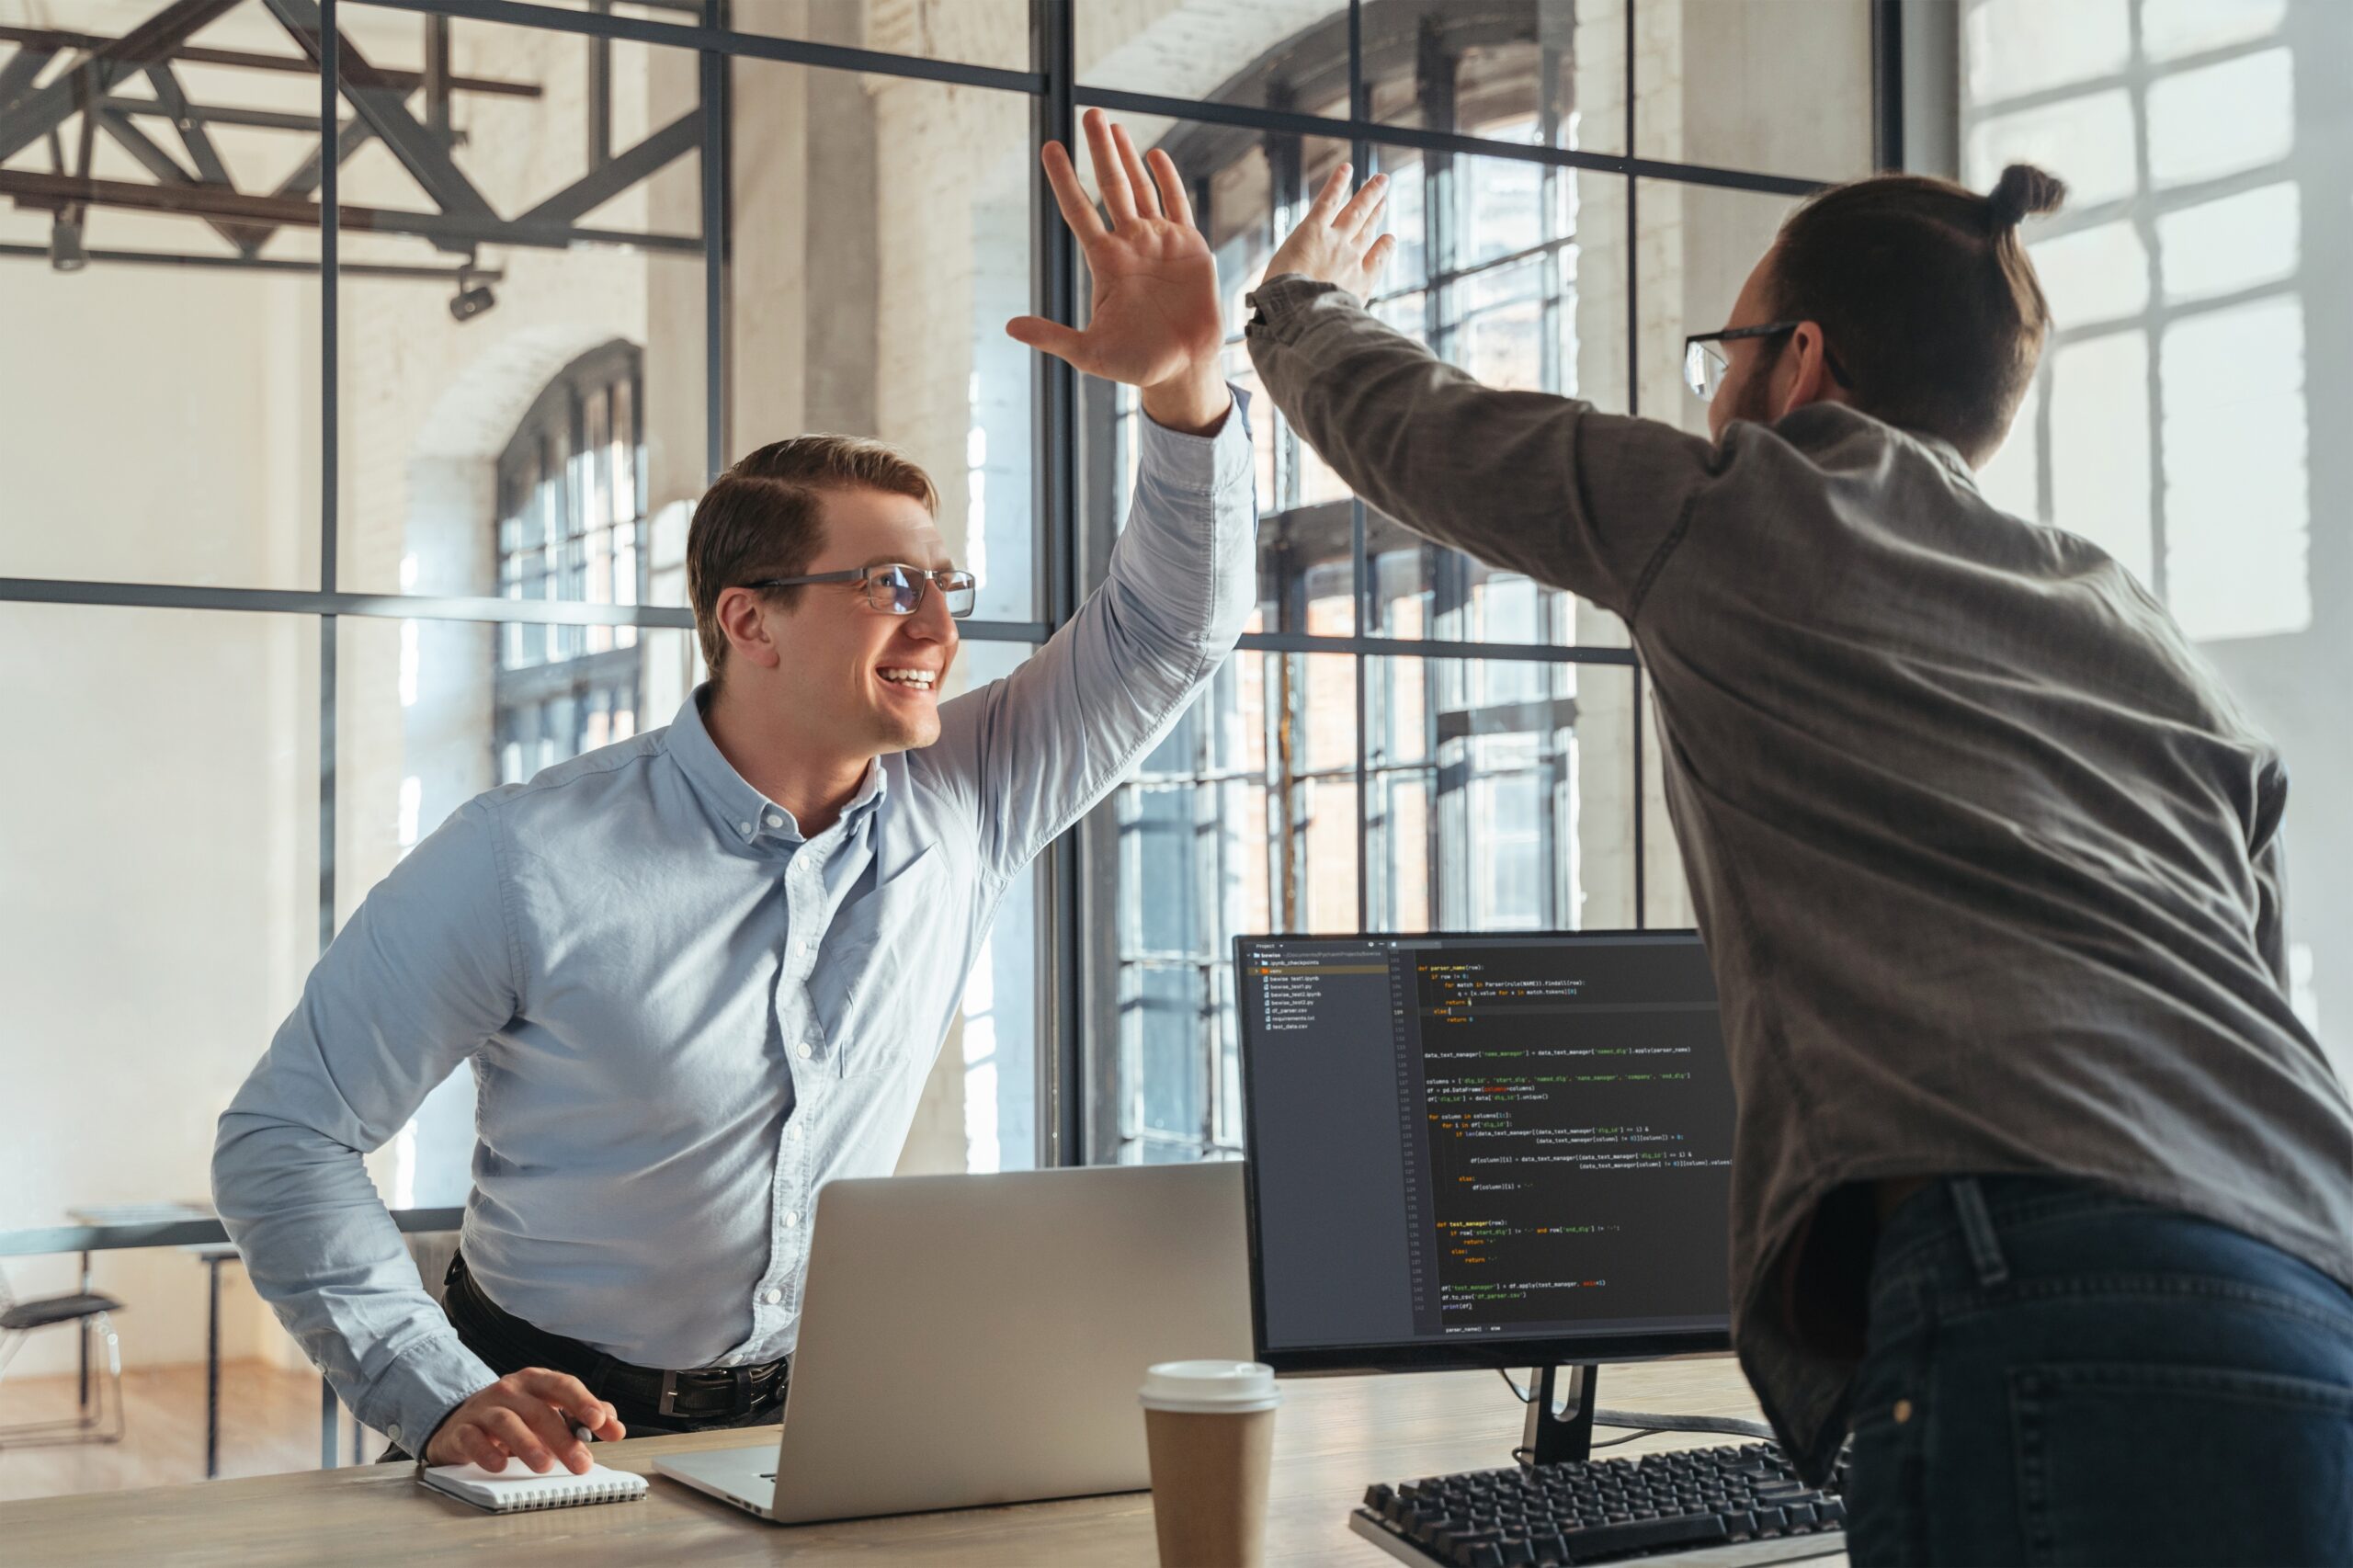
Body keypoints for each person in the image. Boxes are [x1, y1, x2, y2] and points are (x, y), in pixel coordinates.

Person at [1245, 161, 2353, 1562]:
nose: (1712, 394)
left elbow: (1426, 430)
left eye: (1724, 353)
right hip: (2317, 1288)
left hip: (2044, 1284)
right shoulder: (2150, 642)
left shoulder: (1745, 508)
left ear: (1801, 361)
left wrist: (1291, 305)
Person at [213, 108, 1250, 1476]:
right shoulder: (523, 859)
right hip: (546, 1416)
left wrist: (1187, 395)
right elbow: (286, 1134)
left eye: (945, 583)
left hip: (825, 1406)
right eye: (889, 584)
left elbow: (1167, 634)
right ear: (748, 623)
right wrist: (434, 1386)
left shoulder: (967, 798)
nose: (937, 623)